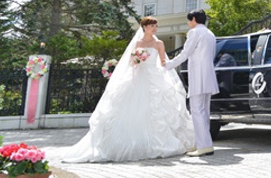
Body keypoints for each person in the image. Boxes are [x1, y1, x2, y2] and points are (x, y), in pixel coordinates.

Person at [62, 17, 194, 163]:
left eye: (156, 26)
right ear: (144, 27)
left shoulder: (159, 43)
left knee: (157, 109)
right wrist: (137, 60)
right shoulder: (138, 43)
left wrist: (163, 67)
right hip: (139, 76)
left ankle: (158, 142)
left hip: (155, 76)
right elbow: (132, 63)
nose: (155, 28)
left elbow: (163, 62)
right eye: (152, 26)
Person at [165, 9, 220, 157]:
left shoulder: (194, 32)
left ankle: (204, 146)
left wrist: (168, 65)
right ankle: (202, 143)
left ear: (194, 19)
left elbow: (185, 53)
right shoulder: (210, 33)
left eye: (189, 20)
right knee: (204, 111)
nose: (188, 23)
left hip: (199, 75)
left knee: (197, 110)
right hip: (208, 75)